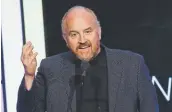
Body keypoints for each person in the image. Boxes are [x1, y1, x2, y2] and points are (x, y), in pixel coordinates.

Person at [17, 5, 159, 112]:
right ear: (65, 39)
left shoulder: (132, 65)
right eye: (74, 34)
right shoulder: (50, 68)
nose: (82, 40)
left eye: (88, 32)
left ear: (99, 32)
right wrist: (29, 75)